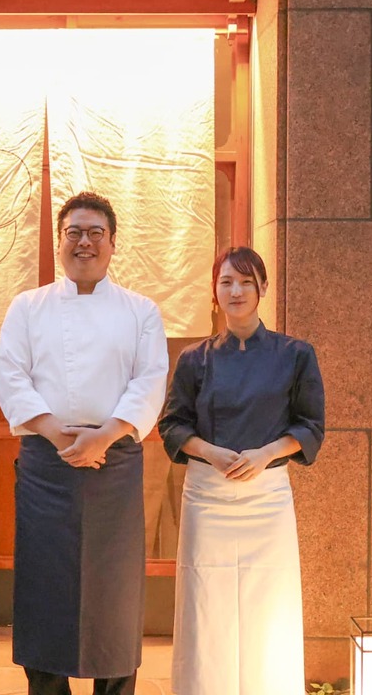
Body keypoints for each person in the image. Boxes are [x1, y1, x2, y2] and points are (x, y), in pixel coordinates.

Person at [0, 191, 168, 695]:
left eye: (95, 233)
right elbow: (12, 376)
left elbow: (149, 380)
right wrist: (54, 432)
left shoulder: (141, 311)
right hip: (46, 464)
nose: (84, 242)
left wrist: (107, 435)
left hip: (113, 464)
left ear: (113, 244)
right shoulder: (28, 307)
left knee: (113, 594)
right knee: (46, 590)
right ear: (59, 241)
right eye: (73, 232)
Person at [158, 246, 325, 695]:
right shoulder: (196, 358)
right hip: (206, 496)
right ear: (214, 292)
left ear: (263, 289)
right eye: (226, 282)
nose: (236, 291)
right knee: (205, 604)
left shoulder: (296, 355)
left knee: (268, 607)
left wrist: (265, 453)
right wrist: (212, 454)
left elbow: (310, 427)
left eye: (246, 282)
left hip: (266, 496)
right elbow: (172, 425)